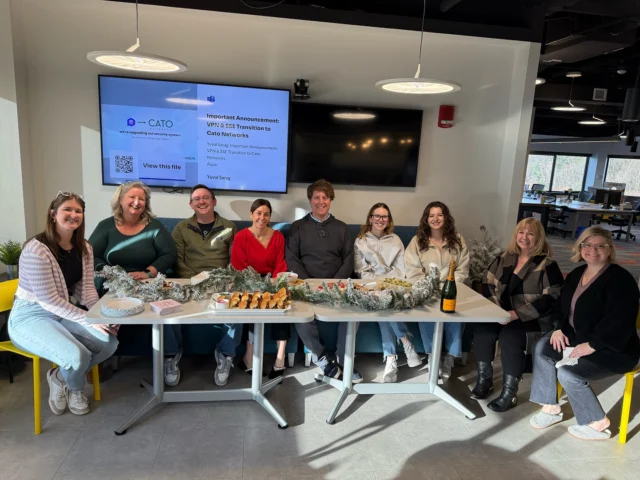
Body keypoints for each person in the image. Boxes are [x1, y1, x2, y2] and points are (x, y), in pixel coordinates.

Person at [9, 192, 118, 416]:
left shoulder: (84, 247)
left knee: (108, 343)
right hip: (30, 316)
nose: (73, 214)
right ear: (53, 214)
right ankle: (76, 388)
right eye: (67, 209)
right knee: (76, 356)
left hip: (62, 311)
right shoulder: (36, 249)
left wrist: (100, 317)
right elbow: (49, 301)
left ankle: (59, 378)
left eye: (78, 211)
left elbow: (86, 289)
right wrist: (88, 319)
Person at [529, 226, 640, 440]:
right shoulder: (577, 274)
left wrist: (592, 345)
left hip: (614, 348)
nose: (592, 250)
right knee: (542, 348)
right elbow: (562, 307)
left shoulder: (621, 280)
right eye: (587, 245)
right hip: (577, 336)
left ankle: (596, 422)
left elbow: (620, 321)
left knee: (568, 374)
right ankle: (550, 408)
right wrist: (559, 328)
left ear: (610, 249)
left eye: (600, 246)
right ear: (580, 248)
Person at [89, 181, 178, 386]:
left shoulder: (154, 226)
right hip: (112, 281)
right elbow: (90, 256)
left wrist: (148, 273)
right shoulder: (106, 226)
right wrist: (113, 273)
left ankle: (170, 357)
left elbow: (169, 254)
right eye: (132, 197)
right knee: (108, 305)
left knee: (170, 306)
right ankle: (102, 357)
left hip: (146, 280)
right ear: (120, 200)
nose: (137, 202)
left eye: (142, 199)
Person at [473, 217, 563, 412]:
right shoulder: (504, 258)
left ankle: (509, 393)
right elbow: (487, 283)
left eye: (531, 233)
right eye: (521, 232)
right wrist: (497, 309)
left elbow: (552, 298)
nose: (525, 237)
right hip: (501, 313)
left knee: (510, 337)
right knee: (482, 330)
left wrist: (516, 314)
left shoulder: (547, 264)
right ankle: (485, 380)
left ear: (538, 238)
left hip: (532, 317)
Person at [286, 179, 361, 382]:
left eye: (325, 197)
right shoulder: (298, 227)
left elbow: (348, 259)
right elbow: (291, 258)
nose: (321, 201)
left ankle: (345, 360)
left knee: (354, 313)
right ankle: (323, 360)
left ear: (330, 200)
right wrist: (309, 284)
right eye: (316, 197)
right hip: (306, 286)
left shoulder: (341, 228)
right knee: (299, 314)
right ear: (310, 201)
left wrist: (334, 284)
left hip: (338, 284)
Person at [172, 184, 237, 387]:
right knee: (165, 307)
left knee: (238, 308)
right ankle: (170, 356)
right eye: (197, 199)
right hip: (190, 282)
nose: (202, 201)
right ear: (191, 204)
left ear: (214, 201)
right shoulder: (181, 228)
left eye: (206, 197)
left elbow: (234, 260)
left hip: (222, 284)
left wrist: (222, 281)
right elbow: (177, 260)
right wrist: (195, 281)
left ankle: (226, 355)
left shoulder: (230, 227)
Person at [355, 202, 422, 383]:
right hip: (369, 287)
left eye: (384, 216)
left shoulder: (396, 240)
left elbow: (401, 270)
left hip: (393, 287)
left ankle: (391, 359)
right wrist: (378, 281)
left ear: (388, 220)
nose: (380, 219)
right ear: (370, 218)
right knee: (384, 305)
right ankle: (406, 342)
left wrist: (385, 281)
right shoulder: (361, 241)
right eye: (376, 216)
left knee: (386, 304)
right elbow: (361, 270)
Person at [405, 201, 470, 379]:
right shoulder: (417, 241)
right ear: (426, 219)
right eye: (431, 215)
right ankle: (433, 355)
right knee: (426, 311)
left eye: (439, 215)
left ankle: (449, 357)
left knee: (455, 312)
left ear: (446, 217)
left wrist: (450, 286)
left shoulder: (457, 239)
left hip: (451, 288)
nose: (435, 219)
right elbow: (412, 270)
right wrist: (429, 288)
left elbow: (462, 269)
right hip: (427, 290)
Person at [230, 199, 288, 380]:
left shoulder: (278, 236)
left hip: (272, 281)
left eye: (266, 214)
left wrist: (273, 283)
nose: (262, 217)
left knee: (282, 303)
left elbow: (280, 264)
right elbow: (238, 267)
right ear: (251, 215)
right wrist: (256, 285)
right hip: (248, 282)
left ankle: (280, 358)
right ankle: (250, 357)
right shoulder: (241, 237)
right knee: (252, 303)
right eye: (258, 213)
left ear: (270, 217)